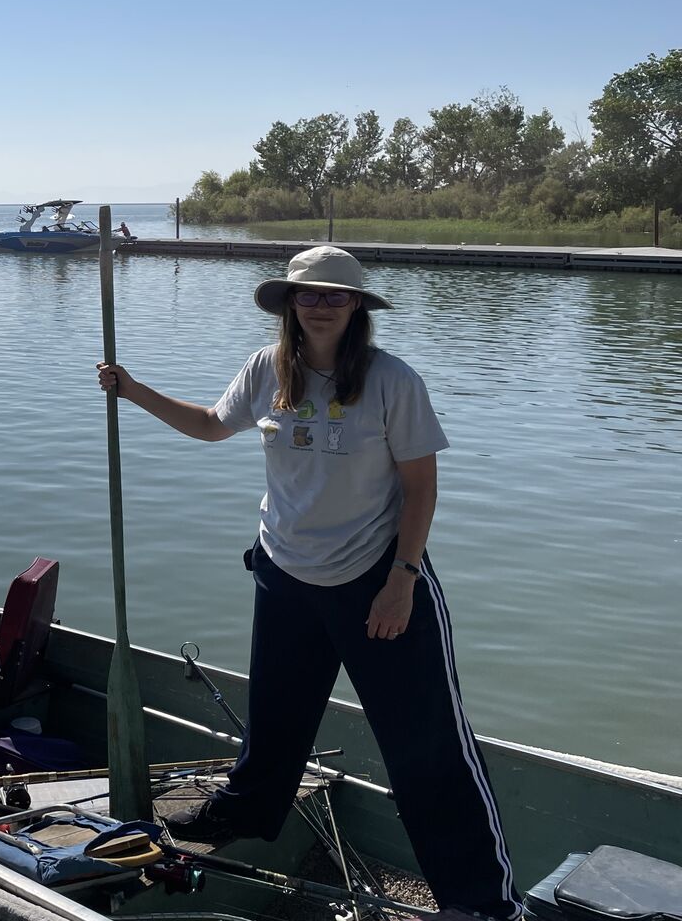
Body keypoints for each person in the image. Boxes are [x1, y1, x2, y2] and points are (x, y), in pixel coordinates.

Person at [97, 246, 521, 920]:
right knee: (274, 722)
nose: (322, 305)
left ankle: (484, 903)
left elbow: (420, 489)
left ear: (357, 307)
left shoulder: (392, 381)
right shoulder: (266, 370)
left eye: (336, 295)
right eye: (309, 294)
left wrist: (403, 581)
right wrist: (133, 388)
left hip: (378, 579)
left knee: (427, 748)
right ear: (289, 303)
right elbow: (212, 425)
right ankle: (247, 811)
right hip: (285, 573)